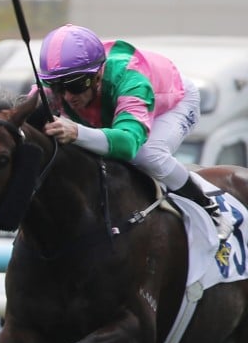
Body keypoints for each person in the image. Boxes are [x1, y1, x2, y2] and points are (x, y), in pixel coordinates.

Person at [38, 23, 234, 242]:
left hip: (172, 102)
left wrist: (76, 132)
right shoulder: (58, 86)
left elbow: (128, 143)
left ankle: (211, 210)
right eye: (56, 86)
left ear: (97, 75)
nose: (66, 96)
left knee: (147, 154)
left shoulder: (130, 80)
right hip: (114, 106)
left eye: (75, 85)